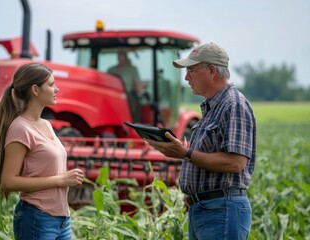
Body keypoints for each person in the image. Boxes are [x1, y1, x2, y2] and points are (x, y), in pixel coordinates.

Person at [145, 43, 256, 239]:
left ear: (212, 70)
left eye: (191, 71)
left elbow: (236, 162)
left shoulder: (234, 105)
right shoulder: (214, 107)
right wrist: (183, 151)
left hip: (221, 209)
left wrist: (186, 154)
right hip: (205, 209)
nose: (187, 78)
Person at [0, 63, 84, 239]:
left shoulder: (47, 125)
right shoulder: (20, 128)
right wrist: (61, 180)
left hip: (62, 220)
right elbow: (9, 181)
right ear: (35, 89)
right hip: (38, 218)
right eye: (51, 85)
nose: (56, 89)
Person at [107, 50, 143, 121]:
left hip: (128, 99)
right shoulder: (111, 70)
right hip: (112, 99)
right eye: (119, 55)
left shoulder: (132, 70)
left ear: (126, 56)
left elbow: (139, 88)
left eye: (122, 55)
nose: (120, 57)